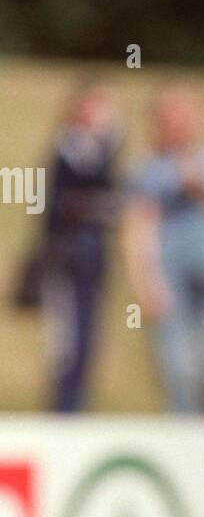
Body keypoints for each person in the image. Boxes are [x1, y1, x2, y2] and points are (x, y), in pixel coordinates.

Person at [122, 84, 204, 413]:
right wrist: (147, 283)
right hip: (170, 281)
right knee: (181, 372)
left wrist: (200, 186)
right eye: (168, 117)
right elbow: (139, 226)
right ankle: (185, 444)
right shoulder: (148, 169)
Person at [35, 81, 124, 411]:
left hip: (93, 263)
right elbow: (53, 207)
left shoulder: (104, 152)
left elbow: (116, 198)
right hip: (66, 262)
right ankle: (62, 412)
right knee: (66, 347)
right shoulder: (66, 151)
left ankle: (76, 410)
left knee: (88, 344)